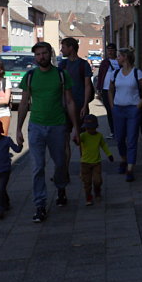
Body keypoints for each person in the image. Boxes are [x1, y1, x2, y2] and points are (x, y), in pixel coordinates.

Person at [16, 41, 79, 223]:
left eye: (44, 53)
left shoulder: (61, 74)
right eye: (37, 54)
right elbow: (24, 103)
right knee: (37, 167)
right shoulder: (29, 76)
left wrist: (75, 127)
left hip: (58, 126)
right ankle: (40, 205)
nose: (41, 57)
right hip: (36, 126)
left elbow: (69, 102)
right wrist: (18, 129)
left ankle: (61, 187)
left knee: (60, 163)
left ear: (50, 54)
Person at [109, 47, 142, 182]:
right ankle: (124, 160)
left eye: (119, 56)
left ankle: (130, 168)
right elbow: (110, 90)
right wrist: (112, 106)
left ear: (125, 57)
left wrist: (138, 106)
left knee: (132, 139)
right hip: (118, 110)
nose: (117, 58)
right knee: (120, 138)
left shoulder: (138, 73)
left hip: (133, 110)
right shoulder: (115, 73)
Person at [58, 37, 93, 178]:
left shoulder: (83, 65)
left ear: (71, 48)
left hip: (80, 107)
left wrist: (85, 105)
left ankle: (84, 170)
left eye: (64, 47)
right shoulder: (62, 65)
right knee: (64, 141)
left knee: (82, 140)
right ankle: (64, 172)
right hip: (64, 108)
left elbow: (87, 86)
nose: (61, 50)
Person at [79, 114, 114, 206]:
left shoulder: (99, 136)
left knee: (97, 180)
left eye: (91, 128)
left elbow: (104, 145)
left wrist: (109, 154)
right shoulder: (83, 136)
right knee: (87, 182)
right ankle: (88, 196)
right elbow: (77, 141)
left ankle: (97, 190)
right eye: (87, 128)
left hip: (96, 163)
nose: (89, 130)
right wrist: (75, 138)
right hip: (85, 163)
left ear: (96, 127)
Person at [97, 43, 120, 137]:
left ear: (115, 51)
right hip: (106, 90)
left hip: (118, 90)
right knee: (109, 111)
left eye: (112, 50)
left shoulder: (119, 61)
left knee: (117, 110)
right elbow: (100, 76)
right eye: (108, 50)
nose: (110, 52)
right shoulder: (104, 62)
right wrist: (99, 89)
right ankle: (113, 131)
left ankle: (119, 129)